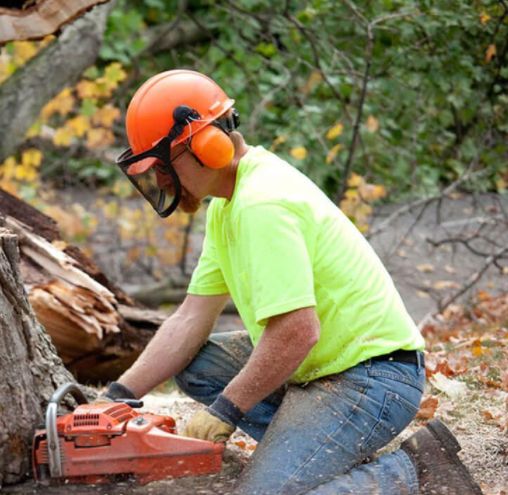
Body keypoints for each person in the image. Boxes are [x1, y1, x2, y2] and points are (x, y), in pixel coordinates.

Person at [103, 69, 482, 494]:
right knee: (199, 365)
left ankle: (417, 471)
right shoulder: (226, 205)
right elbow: (190, 319)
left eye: (163, 167)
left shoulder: (261, 203)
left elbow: (297, 331)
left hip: (373, 377)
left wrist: (226, 410)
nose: (161, 182)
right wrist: (117, 395)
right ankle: (316, 453)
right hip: (321, 365)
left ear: (205, 146)